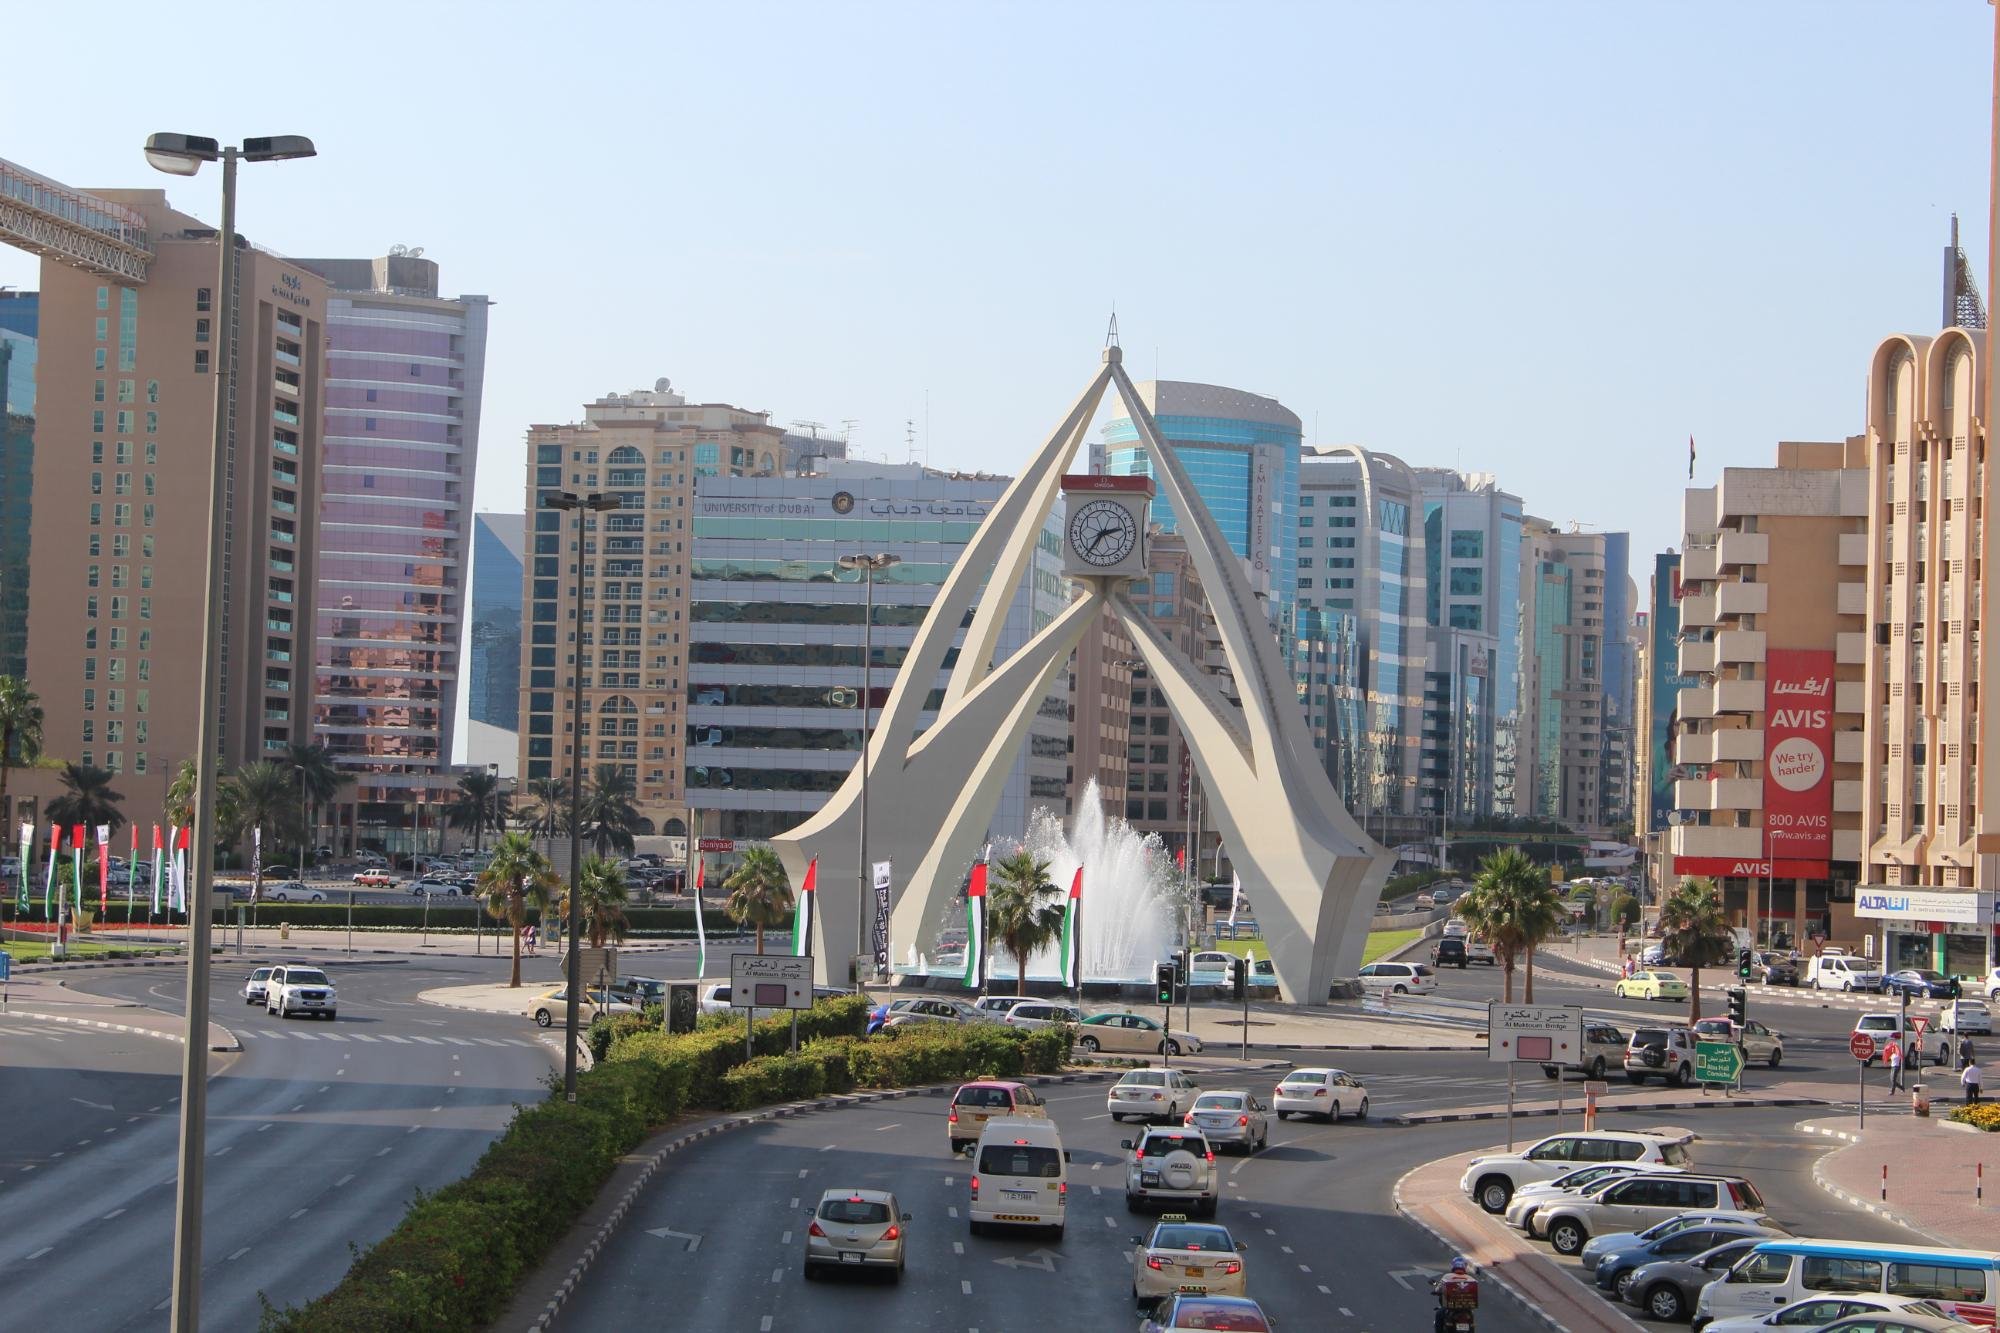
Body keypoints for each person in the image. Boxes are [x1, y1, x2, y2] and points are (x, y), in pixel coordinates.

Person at [1433, 1255, 1479, 1333]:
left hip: (1451, 1306)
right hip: (1466, 1307)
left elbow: (1438, 1289)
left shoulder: (1447, 1276)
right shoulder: (1471, 1279)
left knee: (1438, 1314)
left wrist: (1437, 1291)